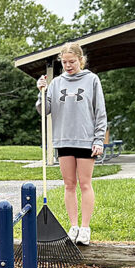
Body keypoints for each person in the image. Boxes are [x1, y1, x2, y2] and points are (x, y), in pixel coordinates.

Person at [35, 41, 107, 245]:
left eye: (72, 61)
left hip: (85, 139)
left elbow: (100, 112)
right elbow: (45, 111)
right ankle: (73, 226)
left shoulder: (92, 80)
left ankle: (85, 228)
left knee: (85, 183)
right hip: (63, 138)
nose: (68, 65)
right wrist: (41, 92)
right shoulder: (56, 83)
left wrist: (98, 139)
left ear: (80, 60)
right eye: (64, 62)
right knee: (69, 184)